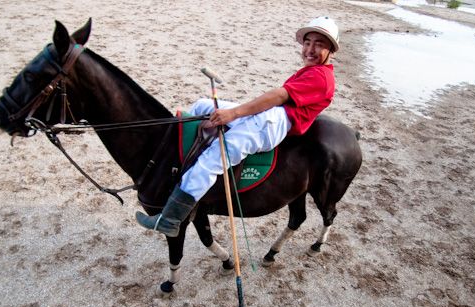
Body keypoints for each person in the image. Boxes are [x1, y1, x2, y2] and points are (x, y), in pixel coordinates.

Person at [136, 16, 340, 237]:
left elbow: (279, 96)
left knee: (211, 161)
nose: (310, 49)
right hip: (269, 115)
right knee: (202, 105)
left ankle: (171, 218)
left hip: (272, 124)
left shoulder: (321, 77)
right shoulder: (312, 70)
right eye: (308, 43)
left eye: (319, 44)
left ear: (331, 50)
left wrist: (234, 113)